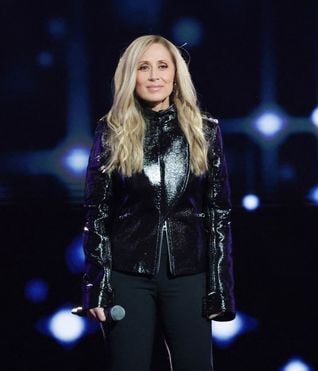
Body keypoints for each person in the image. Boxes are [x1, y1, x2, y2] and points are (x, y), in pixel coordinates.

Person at [79, 35, 235, 371]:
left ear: (176, 74)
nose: (154, 76)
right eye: (143, 67)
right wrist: (97, 284)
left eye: (163, 66)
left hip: (189, 276)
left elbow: (218, 214)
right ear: (130, 76)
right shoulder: (112, 131)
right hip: (127, 275)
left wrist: (220, 287)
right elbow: (97, 213)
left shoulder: (205, 131)